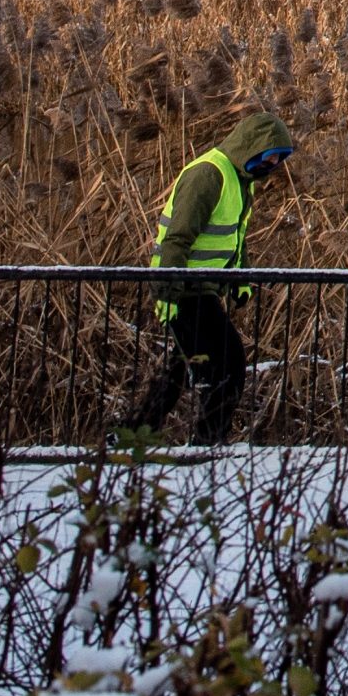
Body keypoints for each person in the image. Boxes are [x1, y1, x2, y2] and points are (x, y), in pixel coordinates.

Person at [132, 109, 296, 444]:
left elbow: (235, 238)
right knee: (228, 363)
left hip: (203, 287)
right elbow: (177, 237)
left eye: (278, 161)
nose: (272, 167)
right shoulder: (209, 174)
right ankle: (207, 441)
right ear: (251, 147)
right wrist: (168, 291)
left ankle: (131, 435)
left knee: (179, 369)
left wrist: (240, 282)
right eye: (269, 158)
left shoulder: (240, 181)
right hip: (184, 289)